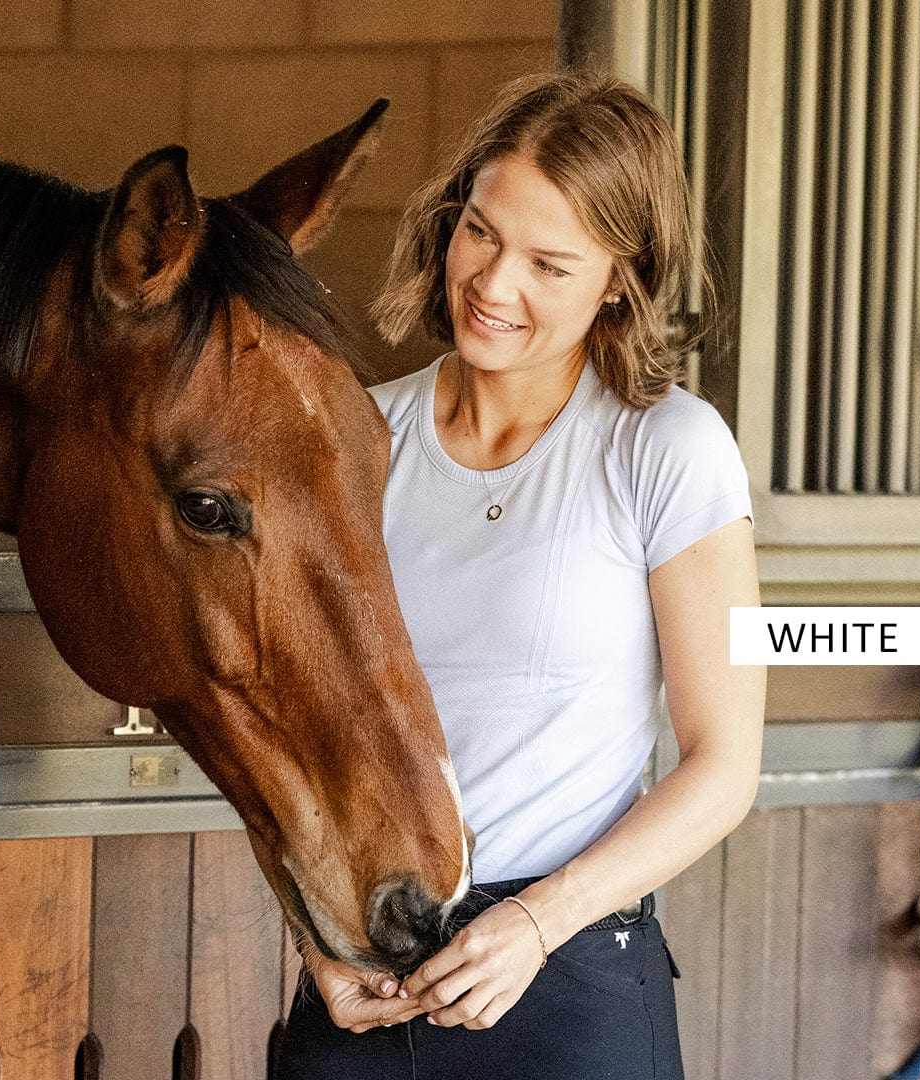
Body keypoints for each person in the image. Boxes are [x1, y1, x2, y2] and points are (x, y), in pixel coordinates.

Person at [278, 69, 766, 1080]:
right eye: (481, 233)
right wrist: (314, 932)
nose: (494, 286)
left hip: (570, 979)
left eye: (549, 264)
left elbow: (723, 765)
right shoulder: (357, 439)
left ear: (619, 279)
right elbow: (292, 735)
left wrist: (539, 923)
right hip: (365, 984)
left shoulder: (667, 450)